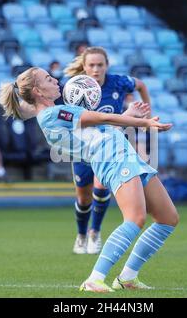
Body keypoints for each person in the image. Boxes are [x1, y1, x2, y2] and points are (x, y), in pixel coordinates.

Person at [0, 67, 179, 292]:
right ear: (38, 91)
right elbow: (102, 117)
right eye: (48, 78)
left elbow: (100, 129)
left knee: (168, 218)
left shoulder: (59, 113)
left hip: (125, 156)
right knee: (135, 218)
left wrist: (129, 115)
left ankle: (128, 277)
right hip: (114, 160)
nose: (55, 80)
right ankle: (95, 278)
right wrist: (145, 123)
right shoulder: (54, 114)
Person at [63, 46, 152, 255]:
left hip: (109, 148)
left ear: (106, 65)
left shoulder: (118, 82)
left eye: (100, 65)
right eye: (91, 65)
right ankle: (81, 234)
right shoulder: (75, 88)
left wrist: (148, 112)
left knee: (101, 189)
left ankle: (95, 232)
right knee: (84, 198)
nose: (96, 69)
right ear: (84, 66)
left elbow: (141, 85)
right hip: (82, 150)